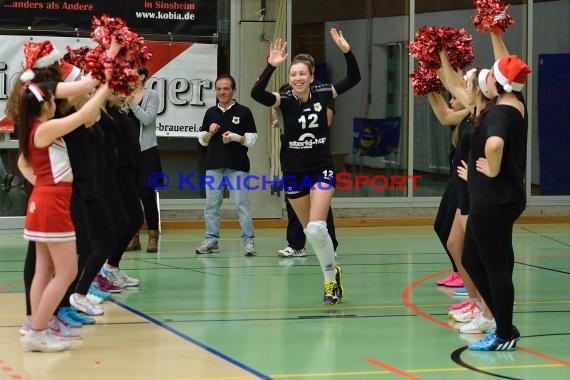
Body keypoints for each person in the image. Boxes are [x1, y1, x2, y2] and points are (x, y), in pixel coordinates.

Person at [251, 28, 361, 304]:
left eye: (302, 73)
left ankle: (329, 282)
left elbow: (354, 77)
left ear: (311, 77)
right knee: (311, 232)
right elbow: (255, 93)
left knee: (315, 228)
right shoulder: (284, 100)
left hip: (321, 168)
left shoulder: (324, 93)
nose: (297, 78)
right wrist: (270, 65)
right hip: (293, 171)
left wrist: (347, 51)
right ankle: (331, 268)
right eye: (293, 74)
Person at [17, 75, 110, 352]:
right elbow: (84, 114)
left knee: (44, 271)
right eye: (51, 100)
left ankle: (36, 325)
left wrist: (43, 185)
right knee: (67, 271)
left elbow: (25, 163)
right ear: (45, 105)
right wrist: (107, 84)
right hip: (52, 205)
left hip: (44, 201)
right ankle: (36, 331)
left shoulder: (37, 129)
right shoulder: (44, 129)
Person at [460, 54, 531, 351]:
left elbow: (495, 144)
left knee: (495, 268)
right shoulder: (517, 106)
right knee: (472, 260)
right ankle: (503, 323)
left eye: (490, 76)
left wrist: (493, 168)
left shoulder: (500, 114)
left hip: (493, 202)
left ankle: (504, 333)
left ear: (499, 83)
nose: (485, 79)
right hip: (500, 200)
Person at [196, 74, 258, 256]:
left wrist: (235, 137)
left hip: (237, 166)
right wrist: (210, 132)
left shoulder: (244, 111)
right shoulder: (210, 113)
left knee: (242, 205)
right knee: (212, 206)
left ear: (233, 90)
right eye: (219, 89)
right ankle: (211, 240)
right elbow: (202, 142)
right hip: (213, 166)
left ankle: (249, 241)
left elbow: (252, 139)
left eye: (226, 88)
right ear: (215, 91)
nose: (222, 92)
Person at [125, 67, 162, 253]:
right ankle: (134, 237)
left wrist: (131, 104)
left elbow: (147, 120)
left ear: (141, 76)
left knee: (147, 195)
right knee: (130, 197)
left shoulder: (152, 95)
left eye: (133, 73)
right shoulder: (122, 93)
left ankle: (153, 237)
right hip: (127, 153)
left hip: (146, 151)